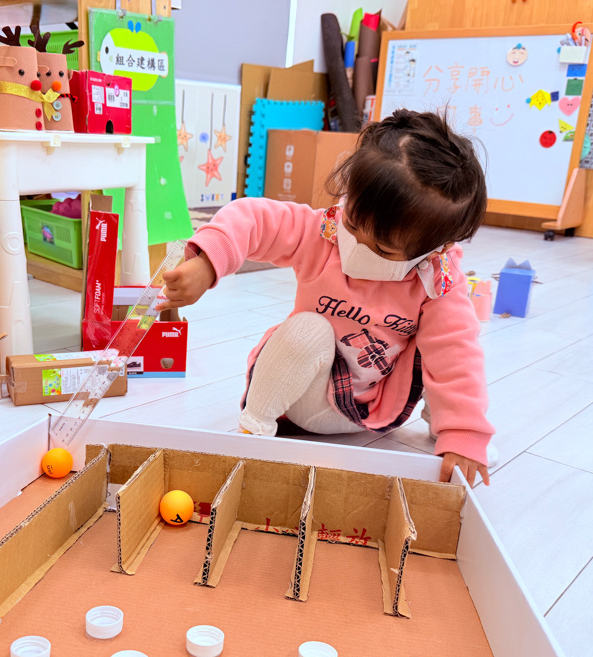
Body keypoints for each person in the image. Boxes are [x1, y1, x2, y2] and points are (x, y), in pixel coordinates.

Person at [159, 109, 494, 486]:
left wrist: (464, 434)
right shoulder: (324, 231)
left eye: (383, 249)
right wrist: (208, 262)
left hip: (371, 409)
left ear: (435, 250)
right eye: (352, 223)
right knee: (308, 329)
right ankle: (253, 432)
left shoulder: (436, 280)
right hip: (303, 397)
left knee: (441, 342)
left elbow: (457, 355)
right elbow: (254, 218)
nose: (357, 246)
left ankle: (445, 425)